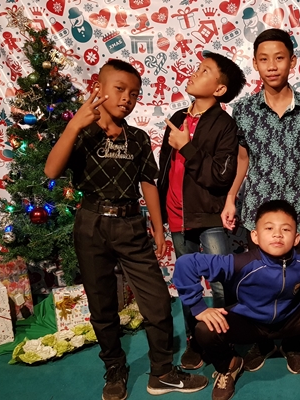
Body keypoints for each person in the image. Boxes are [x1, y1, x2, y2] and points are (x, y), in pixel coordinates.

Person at [44, 59, 207, 400]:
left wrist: (159, 229)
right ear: (99, 89)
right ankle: (114, 367)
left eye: (134, 94)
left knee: (158, 302)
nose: (126, 99)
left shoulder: (137, 138)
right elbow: (51, 171)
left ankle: (162, 371)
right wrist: (73, 126)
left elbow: (148, 182)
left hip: (131, 224)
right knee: (102, 304)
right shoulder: (83, 133)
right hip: (91, 224)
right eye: (119, 89)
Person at [174, 200, 300, 400]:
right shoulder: (240, 263)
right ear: (255, 236)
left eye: (285, 229)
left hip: (291, 321)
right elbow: (186, 264)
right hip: (252, 324)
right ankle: (229, 366)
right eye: (269, 228)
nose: (277, 234)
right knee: (204, 329)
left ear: (296, 238)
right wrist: (198, 307)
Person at [157, 52, 246, 370]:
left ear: (220, 89)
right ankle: (195, 339)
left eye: (205, 71)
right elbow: (164, 169)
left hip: (209, 216)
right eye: (197, 68)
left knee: (221, 281)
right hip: (177, 217)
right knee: (187, 282)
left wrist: (187, 146)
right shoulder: (177, 116)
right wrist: (160, 215)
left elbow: (220, 176)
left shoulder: (225, 125)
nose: (195, 73)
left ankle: (225, 339)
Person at [220, 28, 300, 247]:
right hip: (257, 210)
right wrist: (231, 198)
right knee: (259, 269)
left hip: (298, 210)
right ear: (255, 63)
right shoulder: (243, 110)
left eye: (279, 58)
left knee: (298, 269)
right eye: (264, 59)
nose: (271, 66)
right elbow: (242, 158)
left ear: (292, 61)